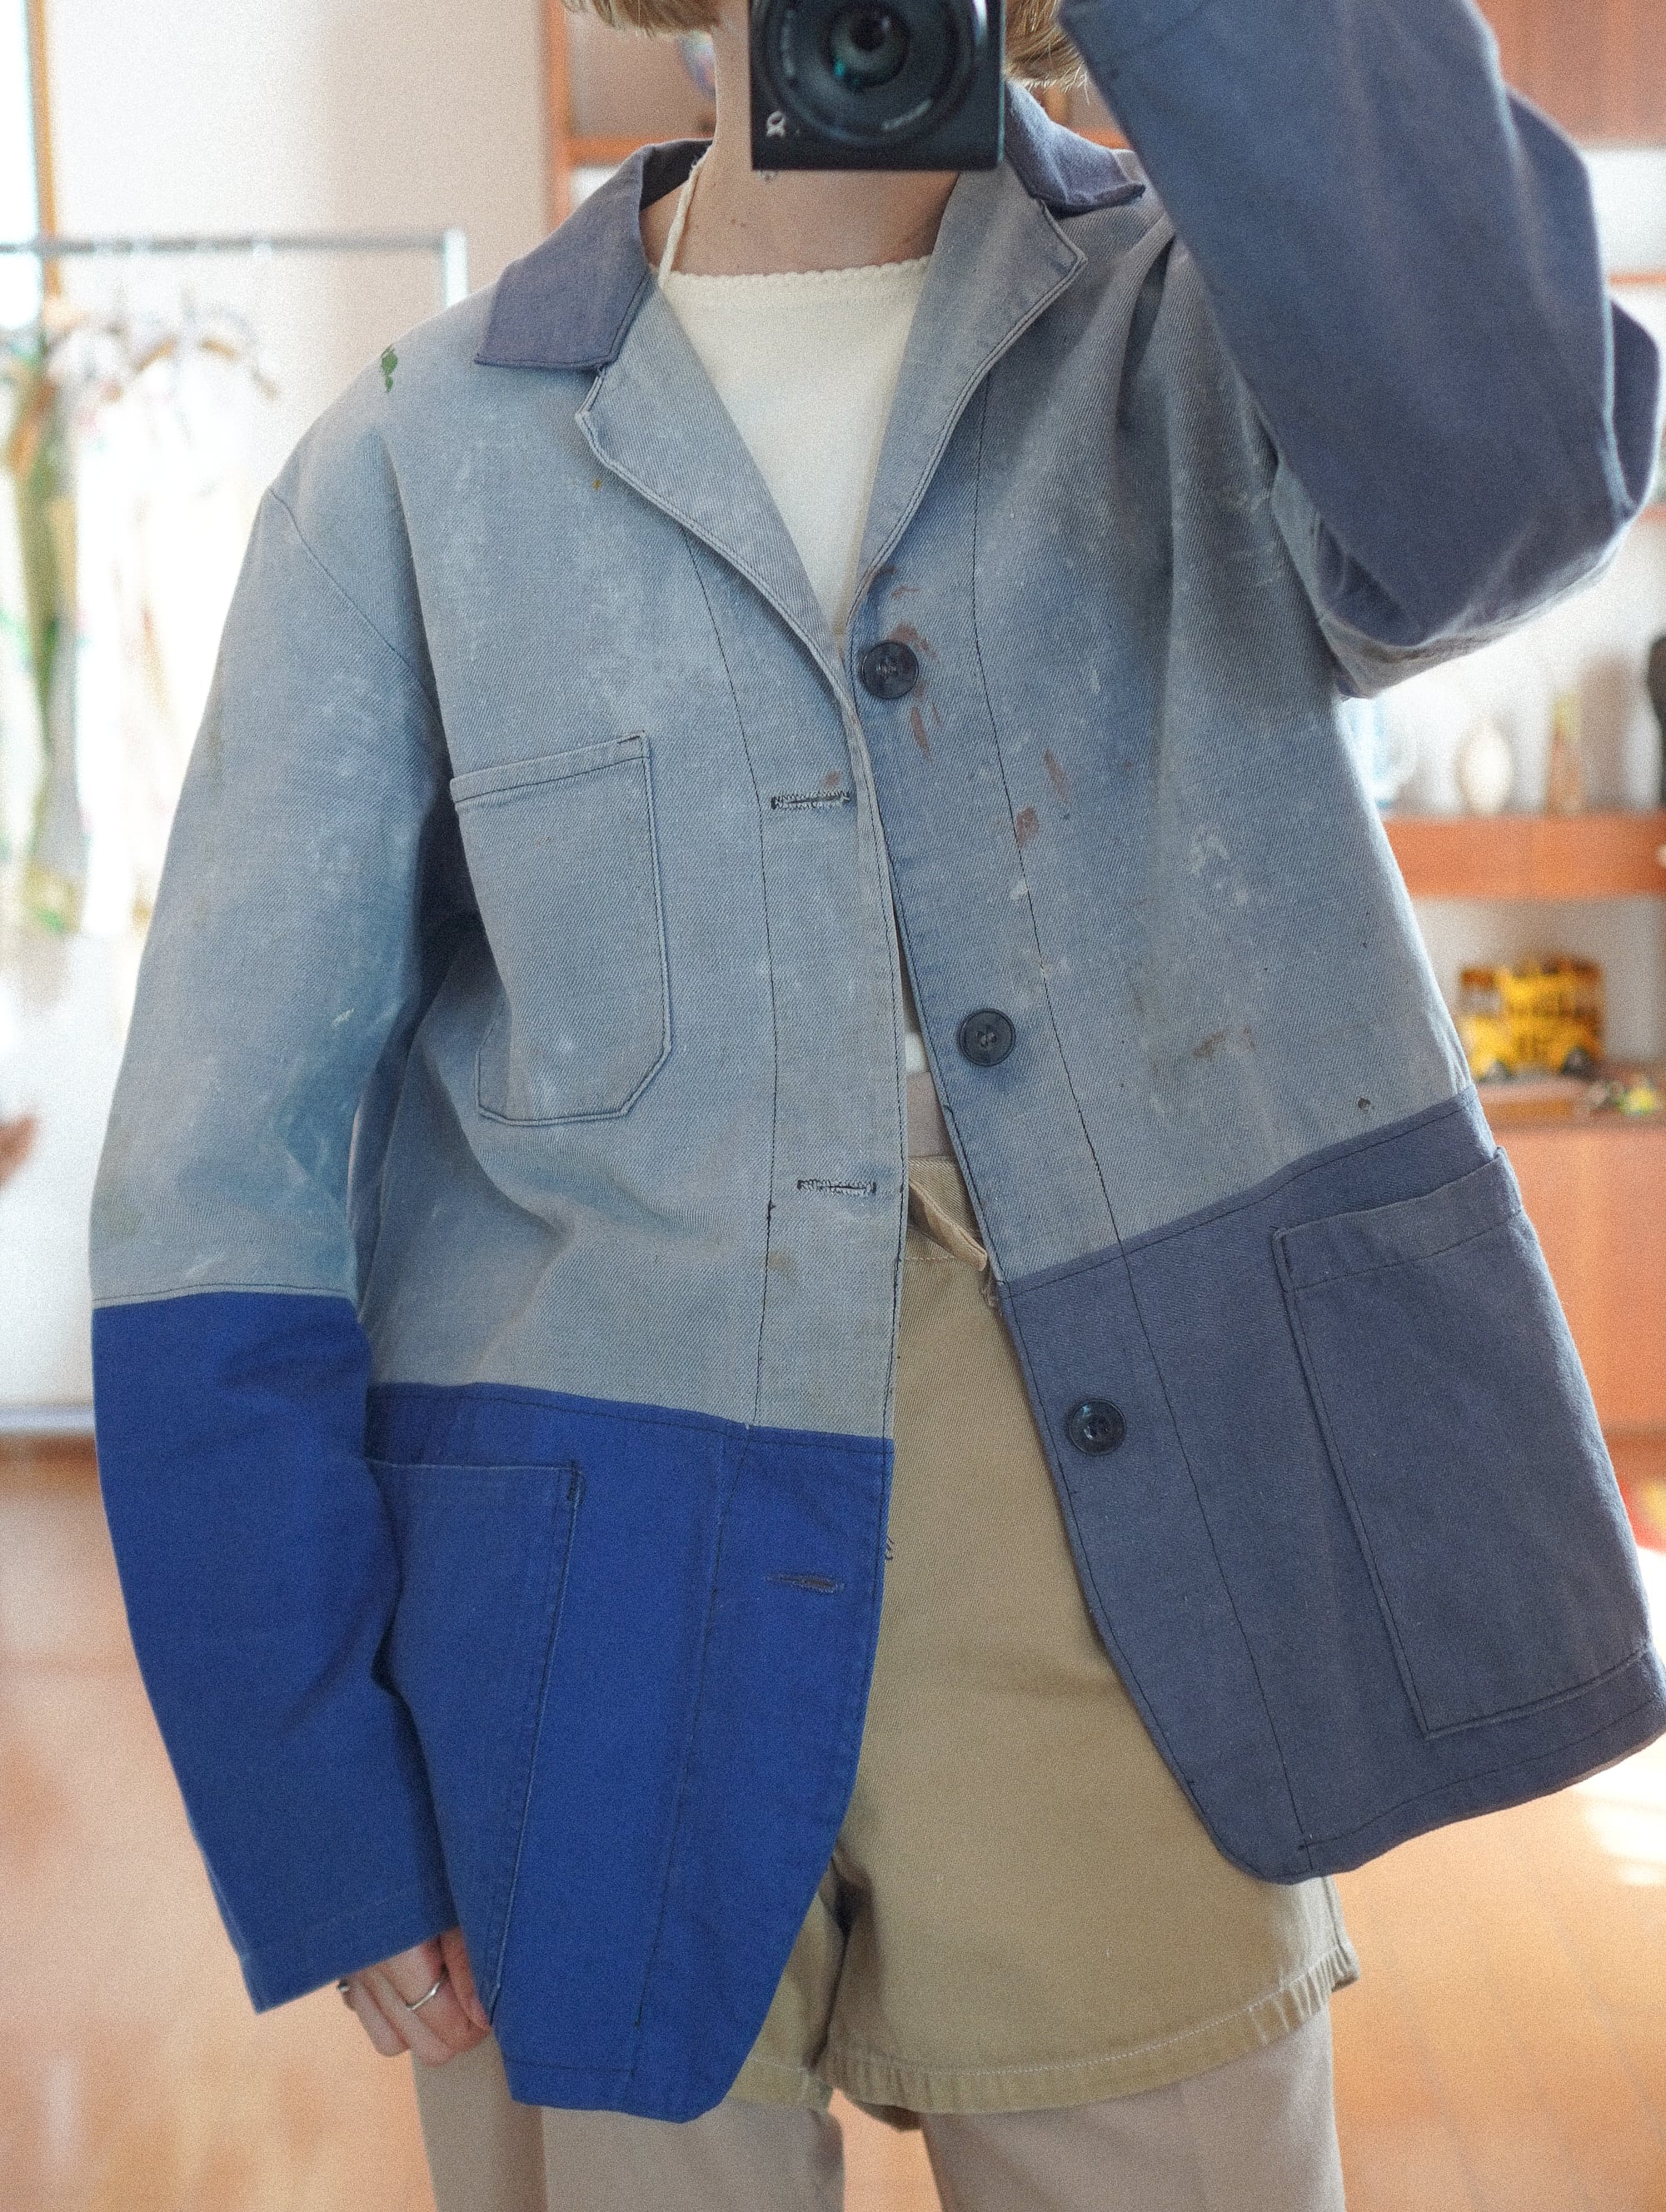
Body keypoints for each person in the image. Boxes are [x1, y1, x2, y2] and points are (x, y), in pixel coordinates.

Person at [89, 0, 1665, 2203]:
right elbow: (213, 1184)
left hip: (1142, 1577)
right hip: (575, 1625)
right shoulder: (412, 461)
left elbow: (1520, 479)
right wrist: (311, 1792)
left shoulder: (1224, 340)